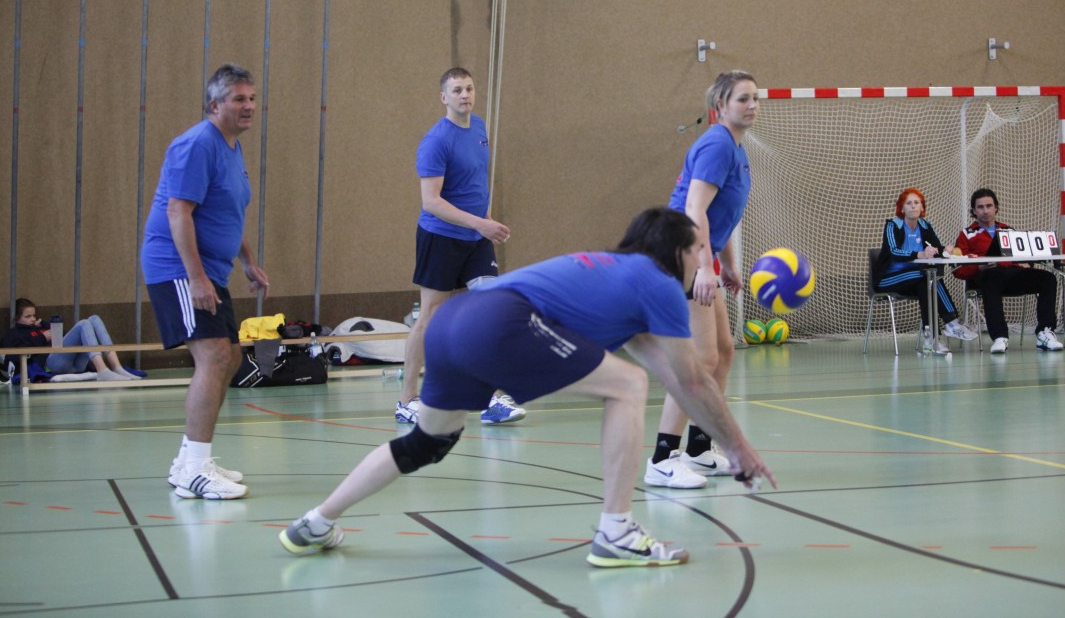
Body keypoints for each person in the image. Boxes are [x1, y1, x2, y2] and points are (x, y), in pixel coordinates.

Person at [279, 207, 776, 567]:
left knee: (425, 442)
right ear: (676, 252)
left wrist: (730, 443)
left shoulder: (618, 273)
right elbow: (692, 379)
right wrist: (740, 449)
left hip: (450, 324)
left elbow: (677, 377)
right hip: (500, 320)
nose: (703, 259)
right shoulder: (659, 282)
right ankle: (617, 532)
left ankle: (316, 522)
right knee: (627, 384)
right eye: (699, 250)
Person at [141, 63, 268, 500]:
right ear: (215, 105)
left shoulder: (232, 147)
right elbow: (179, 212)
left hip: (210, 268)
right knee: (214, 356)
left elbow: (228, 212)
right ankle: (194, 471)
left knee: (230, 356)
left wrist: (248, 261)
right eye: (238, 99)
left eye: (252, 98)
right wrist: (195, 278)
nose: (248, 106)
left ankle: (188, 459)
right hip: (177, 267)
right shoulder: (197, 145)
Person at [646, 71, 758, 490]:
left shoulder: (737, 148)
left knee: (724, 353)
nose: (752, 105)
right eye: (742, 99)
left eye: (755, 98)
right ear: (720, 106)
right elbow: (694, 209)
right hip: (681, 254)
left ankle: (699, 447)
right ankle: (662, 459)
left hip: (701, 255)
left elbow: (721, 214)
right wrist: (705, 268)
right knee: (698, 361)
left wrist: (726, 264)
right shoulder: (716, 145)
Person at [395, 67, 524, 427]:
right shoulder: (436, 141)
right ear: (444, 98)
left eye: (468, 88)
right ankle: (407, 399)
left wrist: (485, 219)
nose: (465, 95)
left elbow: (477, 181)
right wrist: (479, 223)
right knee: (430, 317)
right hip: (441, 237)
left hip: (475, 239)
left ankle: (490, 399)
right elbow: (431, 202)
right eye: (456, 90)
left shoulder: (479, 128)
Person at [953, 188, 1063, 352]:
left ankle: (1045, 333)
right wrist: (979, 266)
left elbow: (1022, 255)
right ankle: (1000, 337)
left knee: (1047, 278)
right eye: (980, 207)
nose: (985, 211)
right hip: (984, 278)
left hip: (1012, 276)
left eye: (989, 206)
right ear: (974, 210)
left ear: (996, 207)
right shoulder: (966, 234)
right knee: (991, 277)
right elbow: (958, 270)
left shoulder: (1008, 231)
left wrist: (1026, 263)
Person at [874, 188, 978, 354]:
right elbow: (894, 251)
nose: (913, 206)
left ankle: (931, 340)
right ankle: (951, 322)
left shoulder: (925, 225)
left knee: (927, 282)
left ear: (922, 207)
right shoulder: (893, 225)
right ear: (902, 208)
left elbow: (935, 248)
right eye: (908, 203)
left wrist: (947, 250)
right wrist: (919, 254)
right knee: (927, 276)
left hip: (915, 280)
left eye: (917, 203)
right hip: (887, 279)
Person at [0, 298, 141, 381]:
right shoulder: (14, 333)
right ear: (17, 318)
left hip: (74, 363)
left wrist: (45, 326)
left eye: (34, 315)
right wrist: (42, 337)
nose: (32, 319)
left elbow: (66, 338)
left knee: (94, 319)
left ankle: (116, 367)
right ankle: (102, 370)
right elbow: (14, 355)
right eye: (28, 316)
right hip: (50, 364)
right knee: (83, 324)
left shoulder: (41, 326)